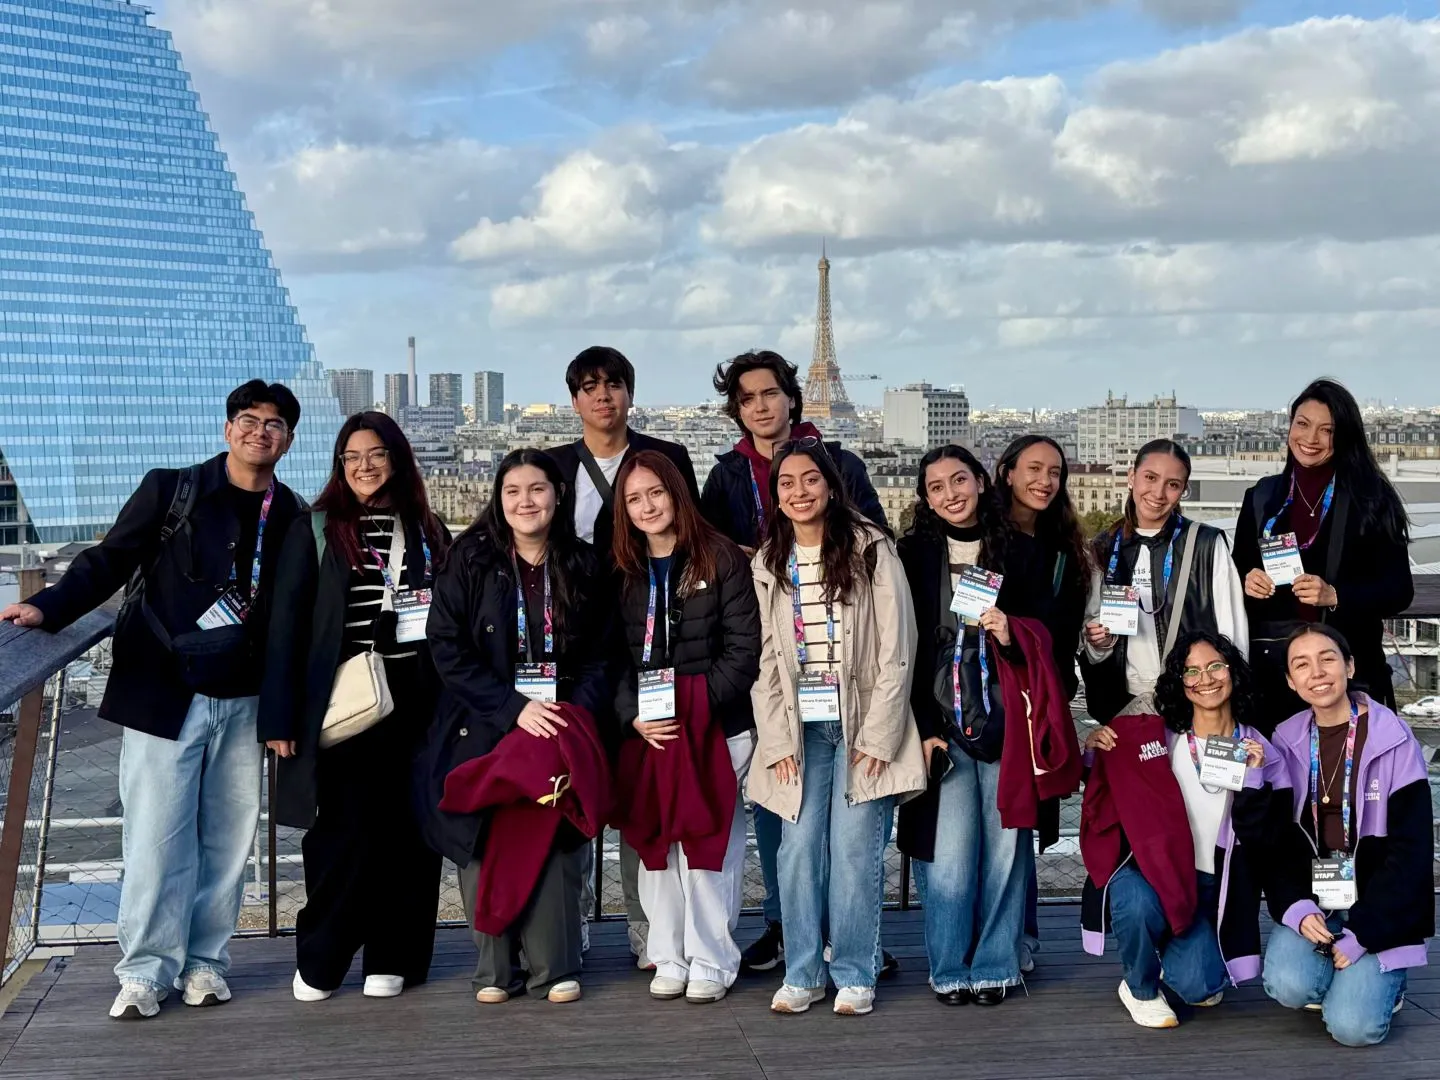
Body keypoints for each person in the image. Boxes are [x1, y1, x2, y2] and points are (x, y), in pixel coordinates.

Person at [0, 381, 308, 1020]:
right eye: (248, 420)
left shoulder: (291, 515)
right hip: (163, 693)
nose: (260, 432)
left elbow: (290, 622)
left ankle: (205, 963)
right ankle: (144, 970)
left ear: (289, 438)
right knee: (156, 838)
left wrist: (283, 710)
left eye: (274, 424)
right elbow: (109, 559)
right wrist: (47, 607)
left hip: (243, 696)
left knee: (227, 843)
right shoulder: (173, 489)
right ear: (228, 429)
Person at [701, 349, 890, 977]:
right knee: (781, 806)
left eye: (769, 394)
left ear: (792, 397)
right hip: (765, 660)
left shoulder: (839, 465)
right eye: (747, 398)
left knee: (847, 813)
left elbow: (874, 543)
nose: (760, 406)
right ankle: (789, 926)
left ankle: (848, 935)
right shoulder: (727, 477)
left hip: (839, 652)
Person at [259, 412, 448, 1002]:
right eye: (351, 457)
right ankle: (323, 955)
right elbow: (284, 626)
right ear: (340, 466)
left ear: (397, 458)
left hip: (415, 704)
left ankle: (394, 955)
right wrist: (281, 717)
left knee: (409, 835)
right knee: (339, 833)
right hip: (340, 704)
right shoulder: (314, 529)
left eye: (376, 455)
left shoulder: (427, 528)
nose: (364, 467)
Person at [416, 449, 615, 1005]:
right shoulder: (470, 559)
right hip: (484, 723)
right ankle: (495, 970)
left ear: (557, 495)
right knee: (483, 841)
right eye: (512, 491)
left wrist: (574, 717)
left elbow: (603, 655)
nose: (525, 501)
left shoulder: (582, 562)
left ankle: (555, 966)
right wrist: (510, 708)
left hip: (558, 724)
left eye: (536, 489)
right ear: (498, 500)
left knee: (552, 836)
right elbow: (447, 647)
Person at [747, 439, 927, 1017]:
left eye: (809, 480)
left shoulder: (872, 548)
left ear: (830, 485)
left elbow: (898, 649)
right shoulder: (768, 560)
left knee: (854, 851)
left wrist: (877, 737)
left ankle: (854, 969)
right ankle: (803, 971)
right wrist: (776, 741)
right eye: (786, 484)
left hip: (863, 722)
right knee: (796, 851)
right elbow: (768, 661)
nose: (798, 492)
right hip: (801, 728)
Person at [546, 345, 698, 968]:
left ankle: (649, 932)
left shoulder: (668, 459)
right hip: (576, 647)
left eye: (612, 383)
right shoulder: (553, 465)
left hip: (649, 644)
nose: (601, 395)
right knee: (574, 785)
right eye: (588, 386)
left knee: (641, 794)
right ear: (574, 399)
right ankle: (572, 923)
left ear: (629, 392)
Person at [895, 445, 1053, 1006]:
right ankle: (948, 964)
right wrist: (920, 727)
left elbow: (1048, 639)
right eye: (936, 487)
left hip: (1007, 722)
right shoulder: (910, 555)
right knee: (949, 856)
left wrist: (1011, 633)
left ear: (982, 481)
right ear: (926, 498)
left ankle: (996, 963)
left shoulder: (1024, 553)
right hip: (943, 724)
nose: (950, 494)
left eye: (958, 480)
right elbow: (901, 650)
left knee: (1008, 850)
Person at [609, 451, 760, 1004]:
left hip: (715, 726)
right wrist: (633, 715)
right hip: (650, 729)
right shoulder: (625, 568)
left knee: (707, 843)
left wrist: (689, 709)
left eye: (656, 493)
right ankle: (668, 952)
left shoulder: (720, 558)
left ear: (678, 493)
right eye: (634, 498)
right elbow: (616, 660)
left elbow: (744, 655)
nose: (647, 506)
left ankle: (712, 959)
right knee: (655, 840)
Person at [1080, 631, 1287, 1029]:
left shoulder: (1260, 749)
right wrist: (1094, 747)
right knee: (1136, 901)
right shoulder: (1156, 736)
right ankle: (1139, 987)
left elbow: (1265, 840)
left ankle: (1169, 950)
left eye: (1215, 667)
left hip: (1211, 890)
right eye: (1191, 671)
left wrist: (1255, 781)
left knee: (1200, 986)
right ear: (1180, 682)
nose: (1205, 679)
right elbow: (1102, 784)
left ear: (1233, 672)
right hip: (1153, 875)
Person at [1261, 625, 1433, 1047]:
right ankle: (1342, 974)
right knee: (1287, 984)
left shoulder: (1394, 740)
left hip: (1378, 904)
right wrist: (1298, 907)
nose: (1316, 672)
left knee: (1354, 1029)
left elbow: (1411, 854)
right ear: (1289, 680)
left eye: (1328, 658)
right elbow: (1279, 841)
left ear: (1350, 665)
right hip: (1319, 897)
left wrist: (1365, 934)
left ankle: (1384, 979)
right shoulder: (1286, 739)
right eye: (1301, 664)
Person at [1232, 378, 1413, 733]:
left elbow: (1399, 590)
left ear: (1344, 436)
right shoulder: (1262, 497)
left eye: (1326, 430)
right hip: (1275, 679)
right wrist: (1246, 580)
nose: (1310, 439)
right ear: (1289, 427)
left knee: (1347, 783)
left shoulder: (1370, 499)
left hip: (1347, 678)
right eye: (1302, 424)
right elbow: (1238, 569)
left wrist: (1336, 595)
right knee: (1280, 784)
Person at [994, 434, 1093, 972]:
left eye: (1055, 472)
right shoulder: (987, 539)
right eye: (1034, 469)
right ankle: (1008, 932)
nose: (1045, 481)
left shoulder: (1064, 551)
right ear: (1007, 472)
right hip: (989, 698)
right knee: (1004, 820)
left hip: (1036, 700)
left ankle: (1020, 931)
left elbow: (1067, 629)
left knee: (1019, 822)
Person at [1080, 439, 1248, 725]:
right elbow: (1093, 644)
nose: (1158, 493)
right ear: (1131, 477)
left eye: (1172, 484)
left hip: (1196, 700)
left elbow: (1233, 633)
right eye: (1150, 478)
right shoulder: (1104, 547)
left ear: (1184, 490)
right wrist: (1101, 641)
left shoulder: (1206, 545)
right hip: (1126, 704)